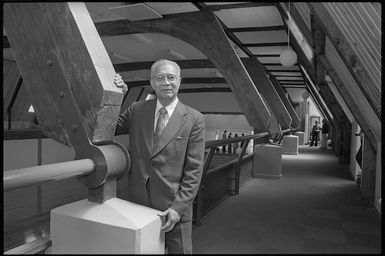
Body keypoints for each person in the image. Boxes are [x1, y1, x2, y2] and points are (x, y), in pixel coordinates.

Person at [114, 59, 206, 254]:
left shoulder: (194, 118)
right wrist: (117, 96)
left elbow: (194, 170)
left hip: (173, 208)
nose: (166, 82)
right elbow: (107, 127)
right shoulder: (136, 109)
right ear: (152, 82)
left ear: (179, 81)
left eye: (171, 77)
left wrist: (178, 207)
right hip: (138, 202)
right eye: (160, 78)